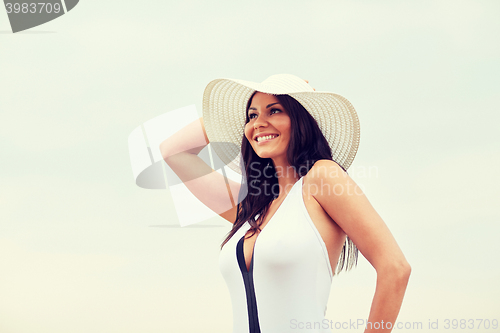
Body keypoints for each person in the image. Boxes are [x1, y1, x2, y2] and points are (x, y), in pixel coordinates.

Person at [160, 74, 411, 333]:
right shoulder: (250, 207)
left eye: (275, 110)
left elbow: (395, 267)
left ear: (300, 119)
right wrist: (230, 116)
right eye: (251, 115)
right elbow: (173, 152)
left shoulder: (322, 177)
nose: (259, 123)